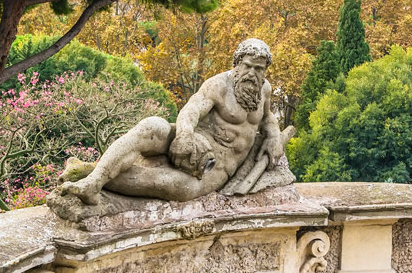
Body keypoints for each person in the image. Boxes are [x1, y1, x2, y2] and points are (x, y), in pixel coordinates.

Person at [57, 38, 284, 205]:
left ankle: (85, 171)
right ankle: (93, 182)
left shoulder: (263, 89)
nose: (252, 72)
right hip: (196, 140)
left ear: (265, 70)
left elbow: (266, 117)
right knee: (152, 127)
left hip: (220, 167)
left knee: (178, 187)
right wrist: (185, 134)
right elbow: (192, 109)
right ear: (237, 63)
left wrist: (274, 136)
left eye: (259, 68)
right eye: (247, 65)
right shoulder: (219, 86)